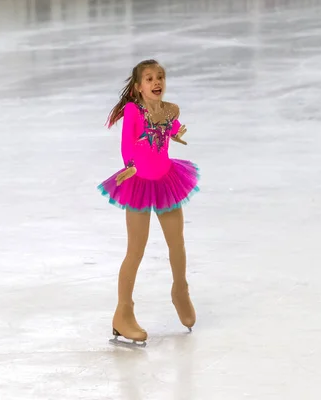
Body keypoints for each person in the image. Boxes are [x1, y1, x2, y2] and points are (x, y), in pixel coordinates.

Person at [98, 59, 199, 345]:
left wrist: (177, 132)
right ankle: (123, 314)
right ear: (138, 87)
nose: (157, 82)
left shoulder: (167, 110)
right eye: (150, 78)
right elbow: (127, 142)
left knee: (176, 241)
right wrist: (129, 164)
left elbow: (174, 127)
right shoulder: (133, 110)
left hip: (166, 180)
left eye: (161, 77)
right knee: (136, 250)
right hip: (138, 183)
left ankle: (180, 289)